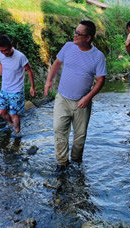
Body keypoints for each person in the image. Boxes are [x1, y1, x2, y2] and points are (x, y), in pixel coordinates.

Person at [44, 20, 107, 172]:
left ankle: (76, 161)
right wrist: (48, 81)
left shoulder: (98, 56)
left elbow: (101, 80)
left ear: (88, 37)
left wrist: (88, 97)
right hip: (63, 98)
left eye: (79, 33)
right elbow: (57, 63)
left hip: (82, 102)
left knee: (79, 137)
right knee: (59, 130)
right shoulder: (68, 47)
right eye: (75, 31)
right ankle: (61, 163)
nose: (75, 35)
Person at [0, 35, 35, 135]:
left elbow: (29, 70)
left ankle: (17, 131)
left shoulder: (20, 57)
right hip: (4, 89)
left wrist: (32, 87)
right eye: (1, 51)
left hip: (16, 90)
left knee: (13, 114)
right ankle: (10, 124)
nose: (4, 53)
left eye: (6, 50)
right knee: (1, 112)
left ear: (11, 46)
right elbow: (2, 65)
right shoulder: (1, 54)